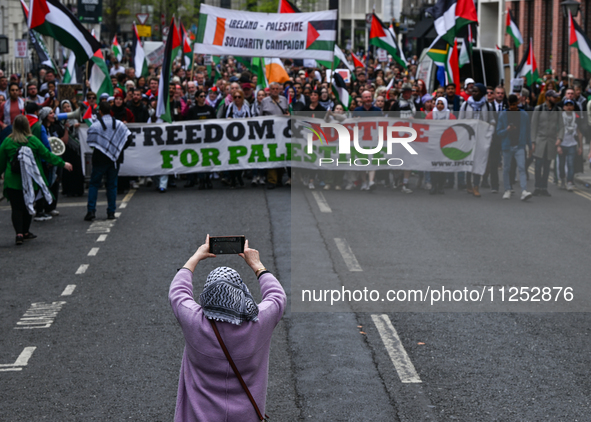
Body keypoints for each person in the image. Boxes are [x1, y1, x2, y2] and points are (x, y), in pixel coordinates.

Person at [169, 235, 286, 422]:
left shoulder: (193, 320)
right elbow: (277, 296)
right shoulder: (259, 321)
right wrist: (257, 265)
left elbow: (178, 291)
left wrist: (196, 257)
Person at [0, 115, 73, 245]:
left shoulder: (7, 141)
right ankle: (26, 232)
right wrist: (63, 163)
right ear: (27, 126)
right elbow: (47, 154)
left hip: (13, 180)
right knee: (28, 205)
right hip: (30, 180)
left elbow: (0, 161)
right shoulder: (33, 140)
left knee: (16, 208)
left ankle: (19, 234)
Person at [84, 102, 132, 221]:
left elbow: (90, 141)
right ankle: (111, 212)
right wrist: (118, 150)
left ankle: (91, 211)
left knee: (94, 184)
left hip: (99, 158)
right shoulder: (120, 124)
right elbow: (129, 138)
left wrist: (101, 148)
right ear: (111, 111)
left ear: (100, 111)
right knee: (112, 185)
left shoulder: (95, 126)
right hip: (115, 159)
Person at [496, 94, 533, 201]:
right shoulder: (503, 114)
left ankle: (524, 191)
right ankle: (507, 190)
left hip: (520, 145)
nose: (512, 106)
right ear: (508, 103)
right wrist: (507, 130)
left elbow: (528, 132)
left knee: (522, 168)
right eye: (510, 104)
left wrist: (530, 147)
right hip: (507, 146)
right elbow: (498, 132)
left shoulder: (524, 115)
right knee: (506, 168)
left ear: (518, 103)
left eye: (514, 104)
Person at [531, 89, 564, 197]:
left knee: (546, 166)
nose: (556, 99)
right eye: (554, 97)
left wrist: (560, 138)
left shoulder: (558, 110)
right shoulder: (538, 109)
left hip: (551, 142)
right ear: (548, 98)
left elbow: (562, 126)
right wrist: (533, 142)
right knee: (538, 165)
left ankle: (544, 187)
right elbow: (533, 126)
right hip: (540, 140)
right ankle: (537, 187)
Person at [426, 97, 456, 194]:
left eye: (442, 104)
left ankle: (441, 185)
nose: (439, 106)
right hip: (433, 143)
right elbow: (426, 127)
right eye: (438, 103)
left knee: (443, 166)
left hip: (445, 143)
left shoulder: (450, 116)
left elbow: (454, 128)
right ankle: (434, 185)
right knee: (433, 165)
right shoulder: (431, 115)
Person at [558, 99, 583, 191]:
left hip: (572, 144)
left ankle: (569, 182)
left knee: (571, 164)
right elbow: (556, 132)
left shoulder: (576, 118)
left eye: (570, 105)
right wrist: (558, 146)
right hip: (562, 144)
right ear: (564, 107)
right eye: (567, 105)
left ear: (573, 107)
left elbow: (579, 133)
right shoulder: (560, 117)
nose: (569, 107)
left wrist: (580, 147)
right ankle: (562, 180)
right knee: (561, 165)